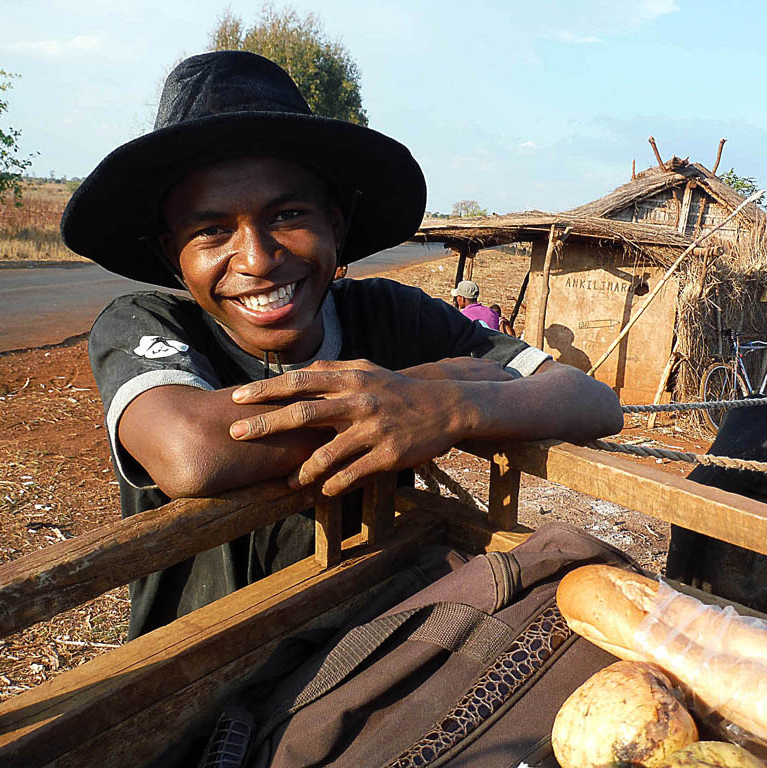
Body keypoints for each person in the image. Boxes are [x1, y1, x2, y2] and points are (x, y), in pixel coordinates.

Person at [61, 51, 623, 639]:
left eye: (287, 214)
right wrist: (414, 391)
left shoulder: (389, 314)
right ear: (169, 254)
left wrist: (450, 408)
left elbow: (591, 400)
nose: (257, 258)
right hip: (200, 663)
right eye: (211, 230)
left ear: (335, 224)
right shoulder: (144, 323)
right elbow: (192, 452)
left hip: (367, 627)